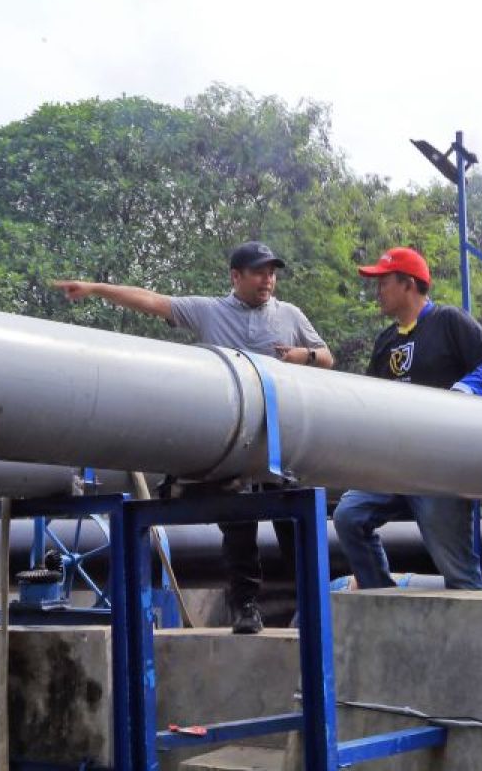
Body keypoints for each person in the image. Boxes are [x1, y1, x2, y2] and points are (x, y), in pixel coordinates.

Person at [53, 241, 333, 634]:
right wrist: (97, 289)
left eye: (271, 272)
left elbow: (327, 357)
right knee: (239, 527)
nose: (267, 280)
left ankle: (314, 605)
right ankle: (246, 607)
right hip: (231, 444)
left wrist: (304, 357)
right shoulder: (209, 311)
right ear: (235, 277)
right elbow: (152, 302)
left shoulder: (290, 315)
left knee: (295, 525)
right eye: (258, 272)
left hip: (279, 441)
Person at [334, 246, 482, 590]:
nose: (378, 292)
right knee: (348, 515)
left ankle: (477, 633)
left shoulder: (447, 321)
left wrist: (465, 390)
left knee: (457, 569)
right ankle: (381, 596)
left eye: (383, 283)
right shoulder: (385, 341)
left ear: (408, 285)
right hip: (394, 463)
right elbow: (372, 399)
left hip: (440, 466)